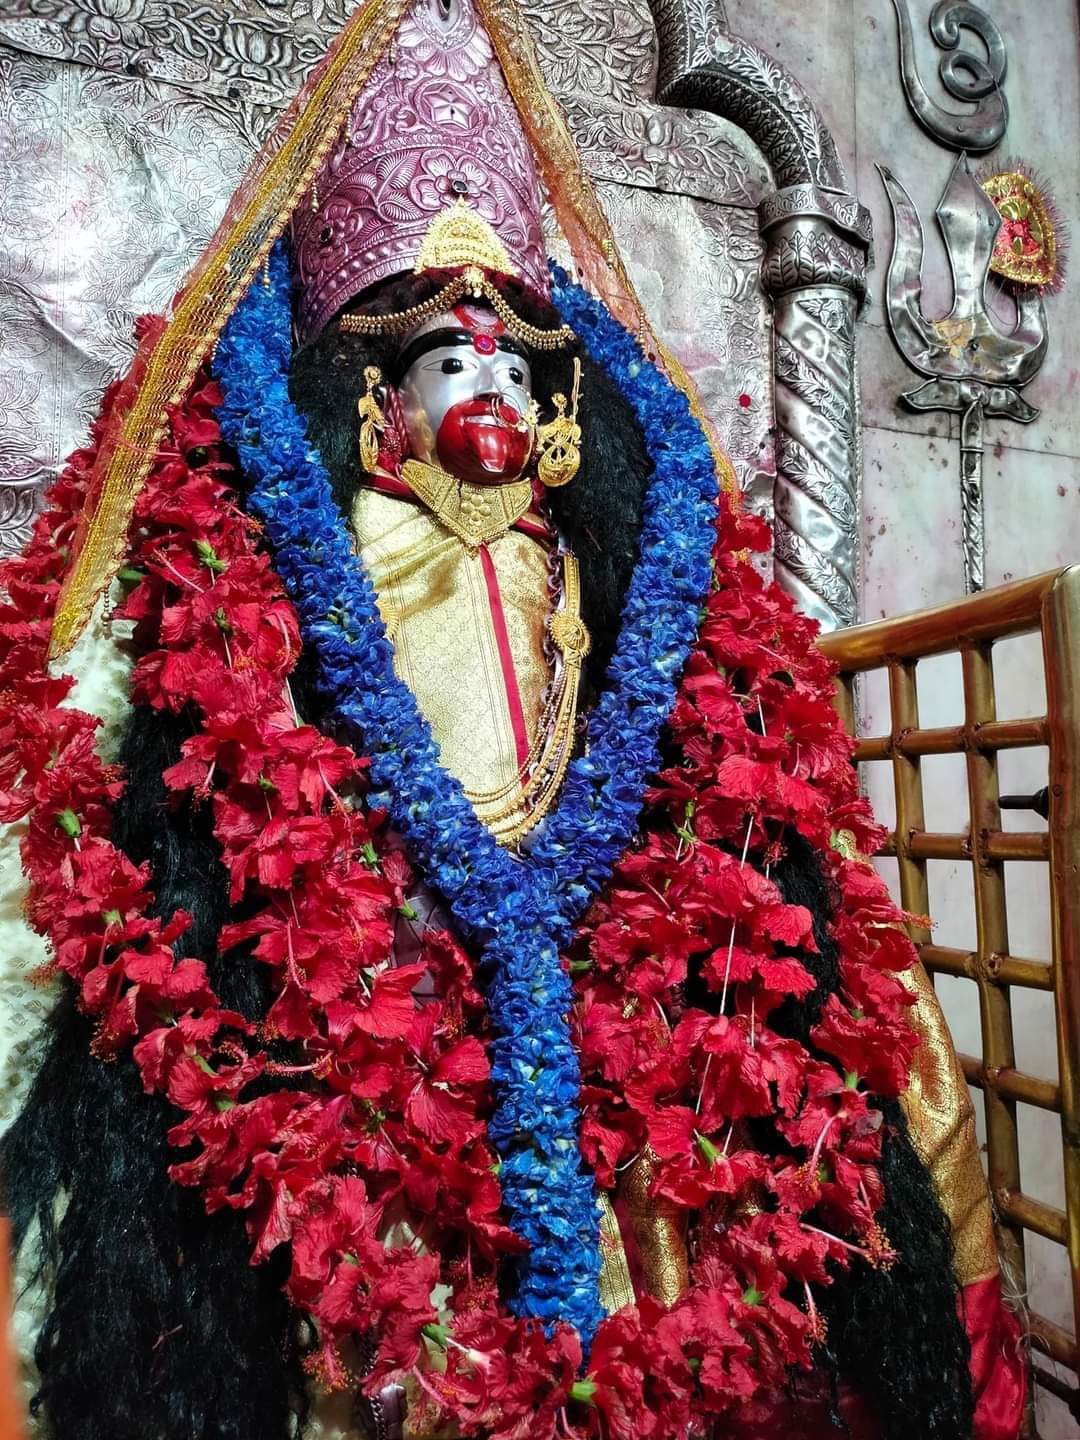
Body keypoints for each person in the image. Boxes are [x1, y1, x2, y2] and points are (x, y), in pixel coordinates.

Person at [0, 0, 1025, 1436]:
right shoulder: (306, 538)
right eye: (447, 359)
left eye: (509, 362)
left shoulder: (595, 544)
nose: (484, 379)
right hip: (373, 986)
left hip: (611, 971)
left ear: (557, 404)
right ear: (374, 395)